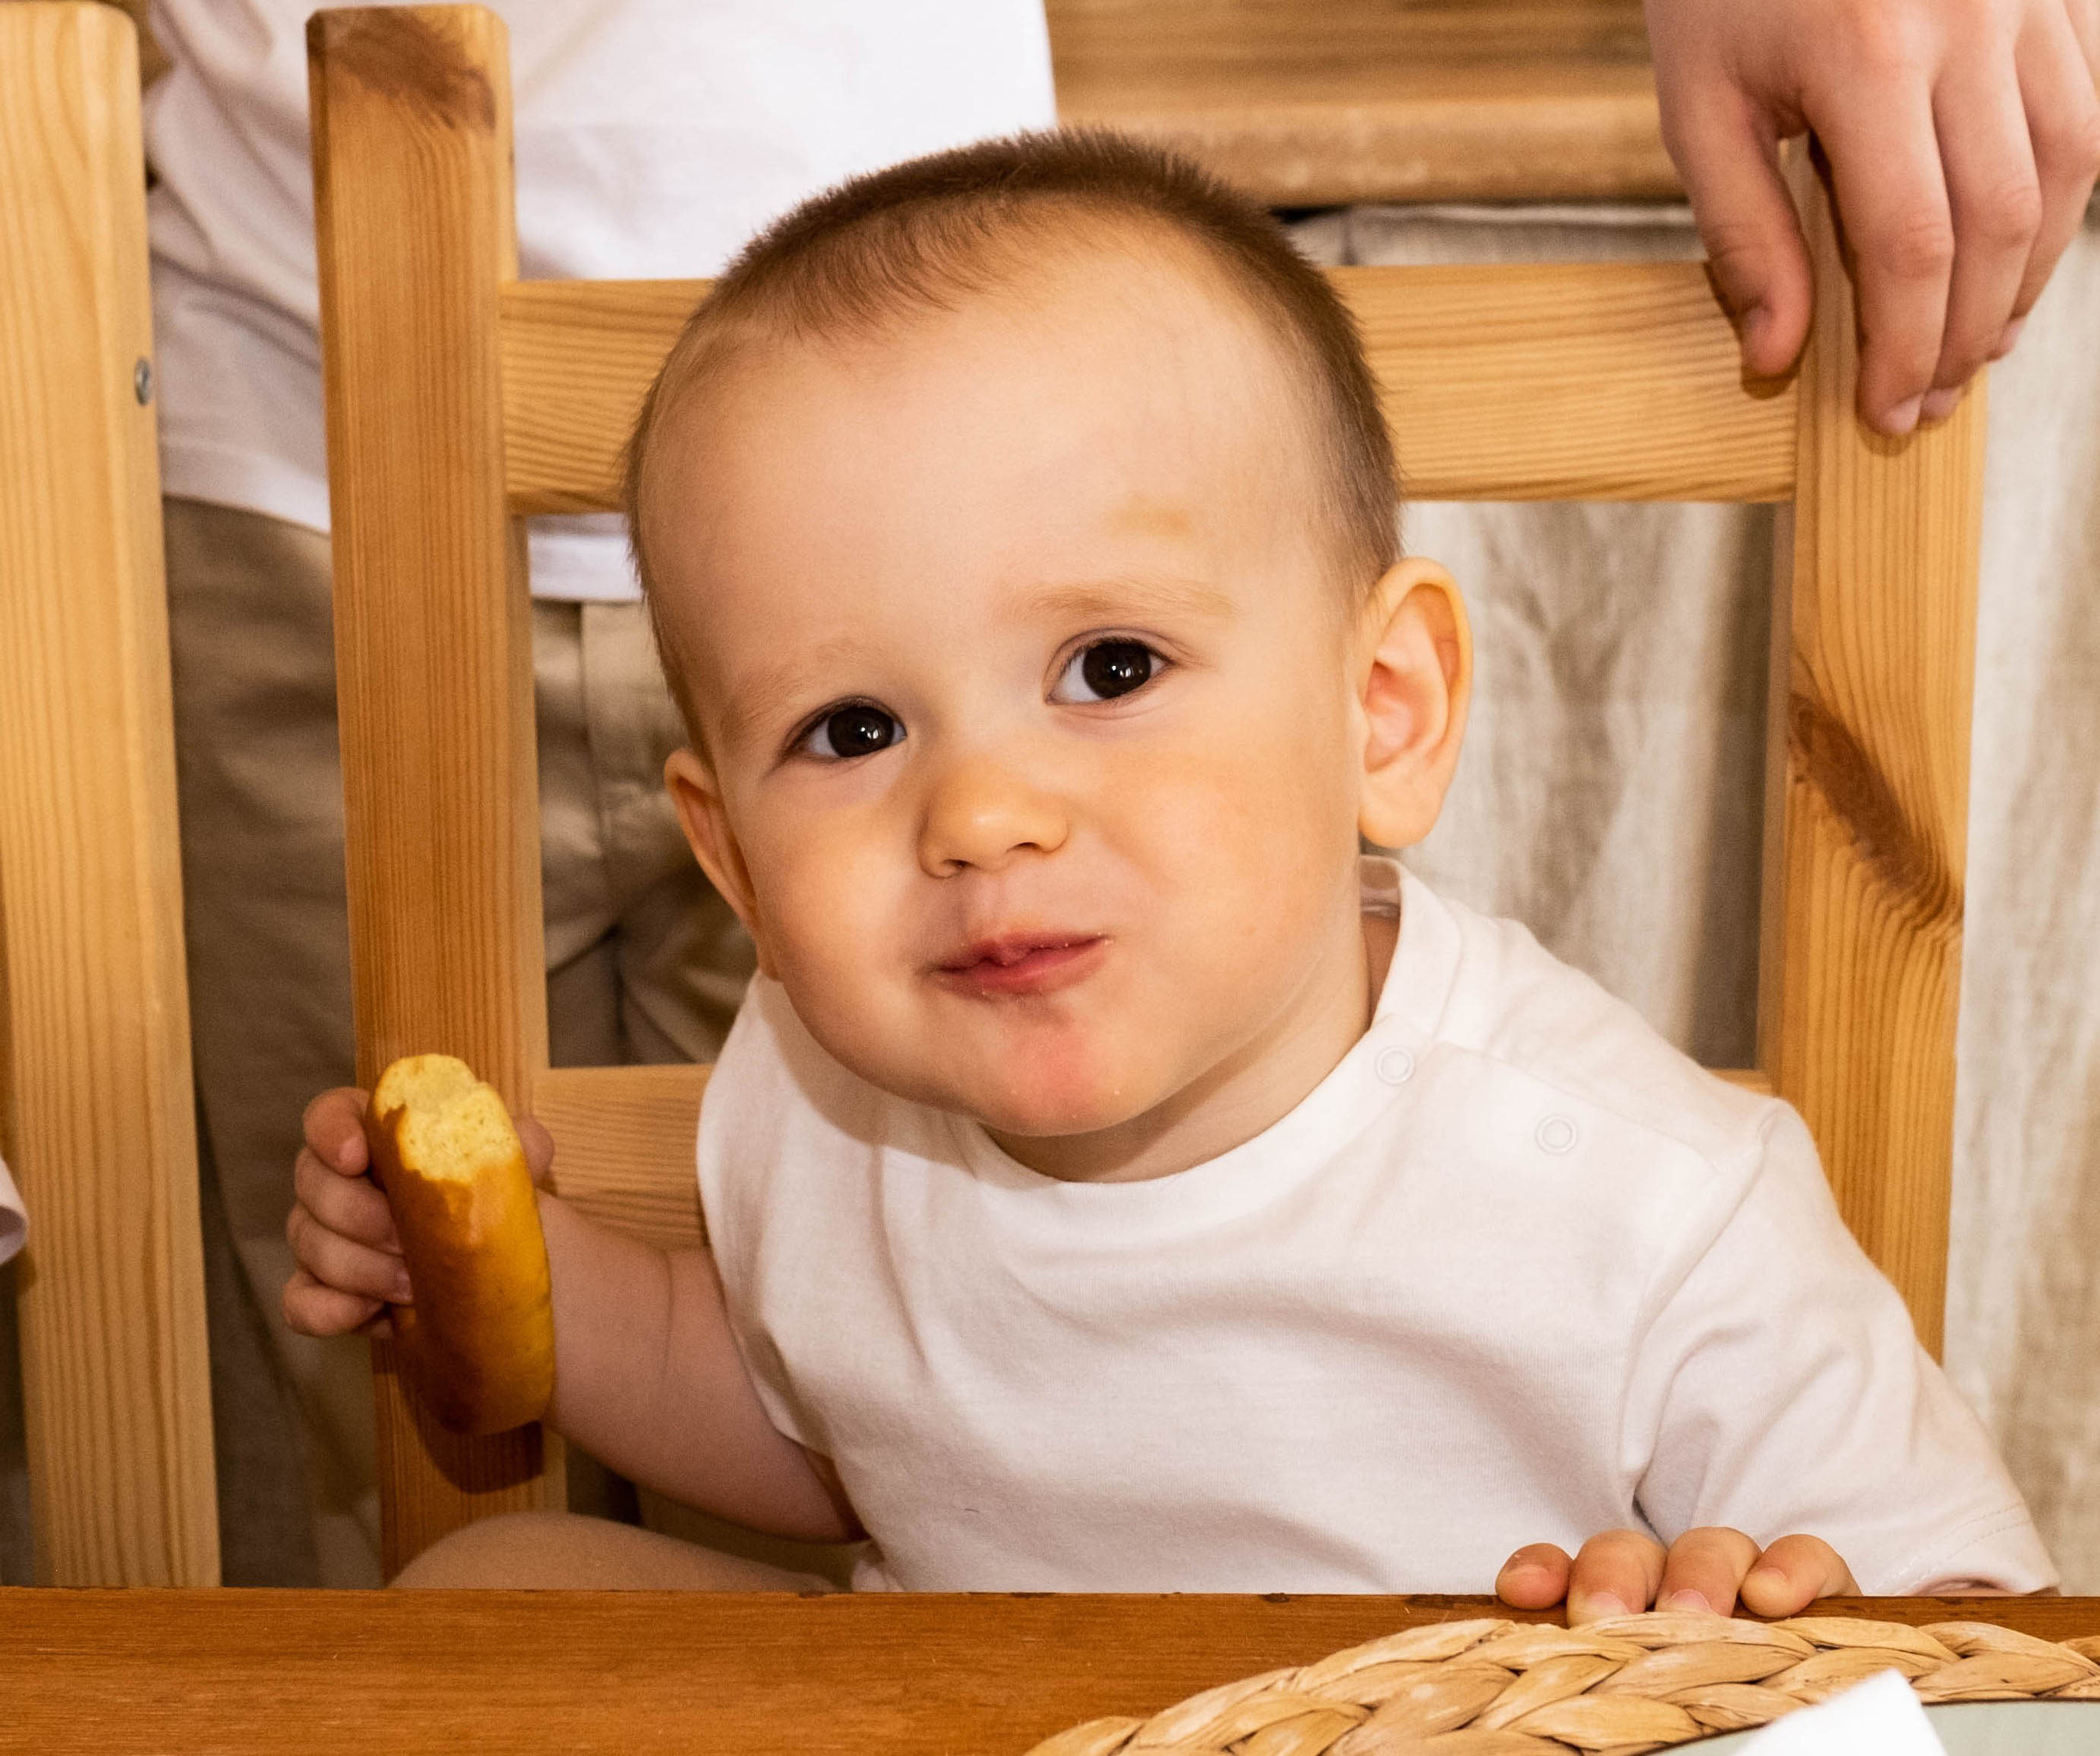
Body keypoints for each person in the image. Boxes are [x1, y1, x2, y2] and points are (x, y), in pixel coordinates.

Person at [285, 134, 2056, 1610]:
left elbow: (1994, 1646)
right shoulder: (824, 1088)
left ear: (1380, 709)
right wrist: (508, 1278)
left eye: (1108, 667)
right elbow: (838, 1435)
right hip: (988, 1713)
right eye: (850, 729)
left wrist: (1762, 1634)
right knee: (492, 1594)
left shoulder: (1646, 1204)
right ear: (732, 860)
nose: (979, 813)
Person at [146, 0, 1056, 1584]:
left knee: (930, 1280)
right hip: (290, 426)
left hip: (924, 465)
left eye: (1128, 671)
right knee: (357, 1443)